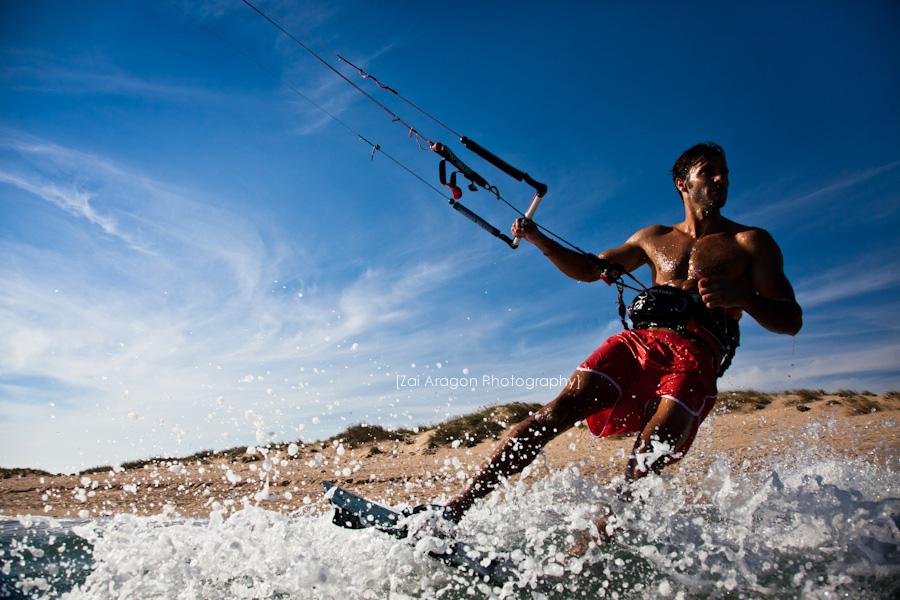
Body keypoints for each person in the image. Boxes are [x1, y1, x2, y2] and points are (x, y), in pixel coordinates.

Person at [444, 142, 802, 527]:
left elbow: (790, 318)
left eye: (725, 173)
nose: (721, 179)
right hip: (639, 345)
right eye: (709, 172)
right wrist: (539, 240)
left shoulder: (749, 242)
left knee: (648, 454)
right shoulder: (652, 238)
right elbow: (588, 269)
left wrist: (743, 297)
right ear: (683, 183)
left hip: (696, 355)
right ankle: (453, 511)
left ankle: (591, 551)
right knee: (556, 410)